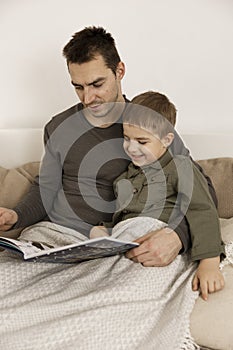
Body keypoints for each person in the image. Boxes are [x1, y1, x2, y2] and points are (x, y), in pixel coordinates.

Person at [0, 26, 217, 267]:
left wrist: (178, 237)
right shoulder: (58, 127)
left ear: (119, 71)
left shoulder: (148, 125)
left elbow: (203, 191)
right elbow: (46, 187)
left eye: (96, 84)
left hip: (118, 241)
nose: (87, 98)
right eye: (78, 87)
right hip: (56, 236)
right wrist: (16, 215)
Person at [90, 91, 225, 300]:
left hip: (157, 240)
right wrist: (105, 231)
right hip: (128, 245)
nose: (131, 147)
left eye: (142, 141)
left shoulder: (180, 167)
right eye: (127, 138)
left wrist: (210, 263)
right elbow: (126, 217)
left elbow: (202, 209)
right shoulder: (126, 178)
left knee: (120, 293)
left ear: (166, 139)